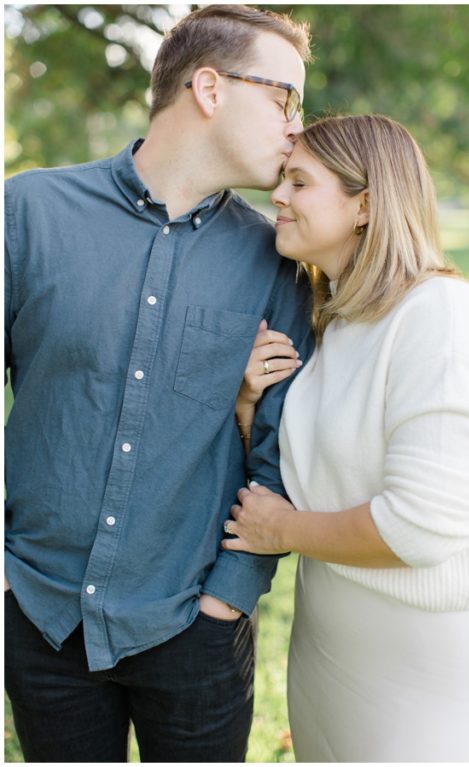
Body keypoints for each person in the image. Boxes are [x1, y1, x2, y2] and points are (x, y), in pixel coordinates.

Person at [4, 6, 312, 761]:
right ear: (210, 87)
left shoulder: (278, 260)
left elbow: (280, 450)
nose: (296, 128)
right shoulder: (28, 212)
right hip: (39, 616)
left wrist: (227, 598)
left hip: (194, 629)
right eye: (284, 99)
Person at [223, 114, 469, 761]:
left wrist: (284, 531)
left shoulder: (441, 317)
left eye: (300, 182)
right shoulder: (337, 322)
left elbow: (422, 524)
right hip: (330, 656)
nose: (279, 196)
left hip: (422, 667)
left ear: (366, 205)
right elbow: (307, 480)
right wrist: (248, 404)